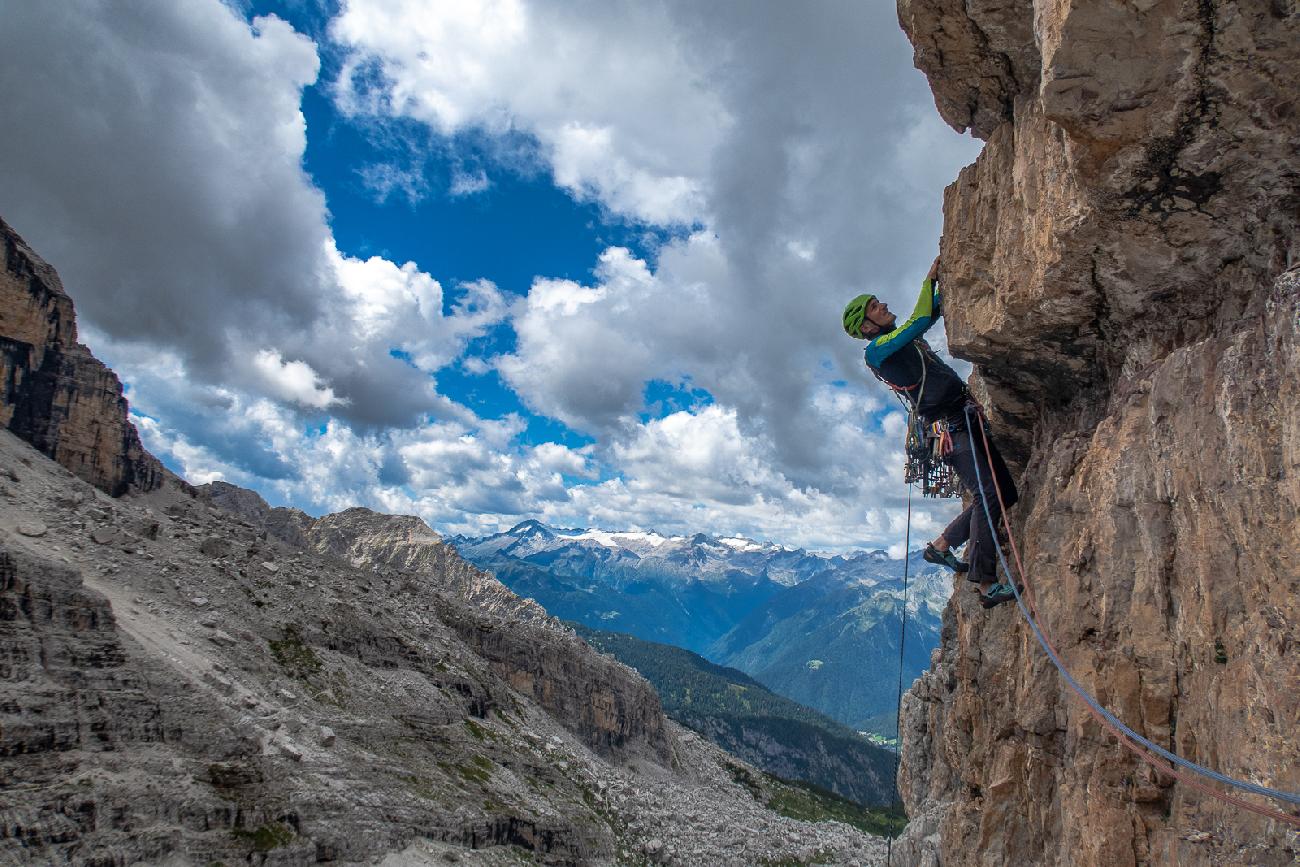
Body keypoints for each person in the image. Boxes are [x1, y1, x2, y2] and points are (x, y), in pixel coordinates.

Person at [842, 256, 1021, 608]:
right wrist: (929, 281)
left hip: (963, 418)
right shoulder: (878, 352)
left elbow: (931, 312)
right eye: (876, 307)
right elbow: (921, 318)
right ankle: (986, 585)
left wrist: (948, 282)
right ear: (866, 327)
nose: (885, 306)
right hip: (951, 427)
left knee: (1005, 494)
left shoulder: (895, 341)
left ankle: (942, 546)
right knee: (988, 493)